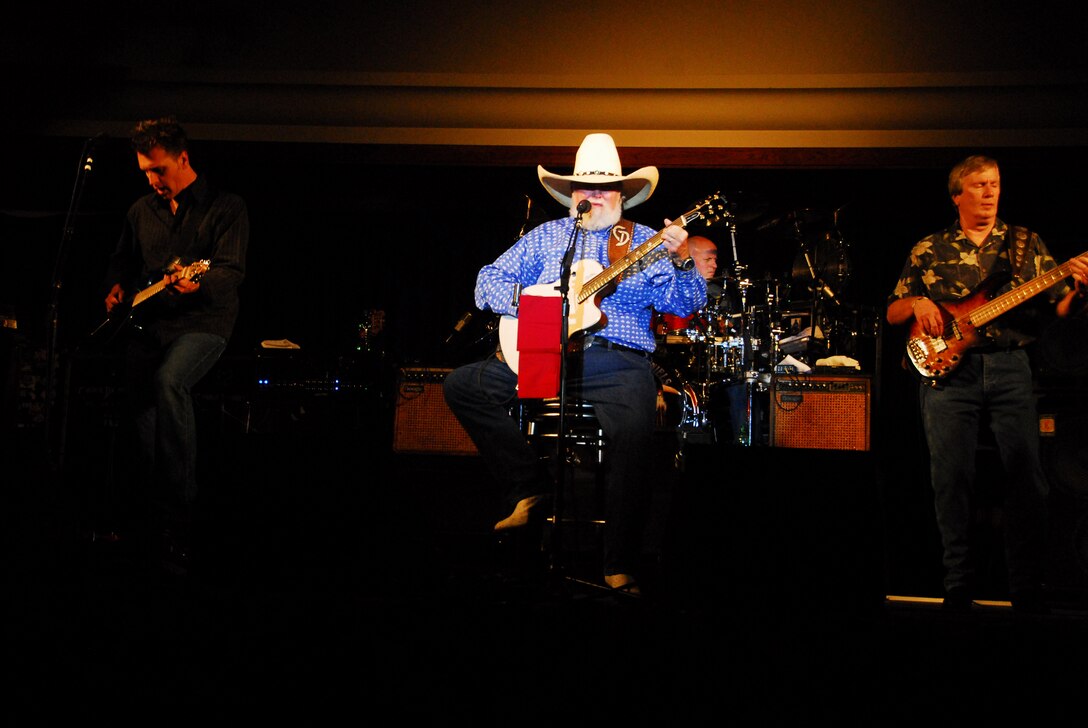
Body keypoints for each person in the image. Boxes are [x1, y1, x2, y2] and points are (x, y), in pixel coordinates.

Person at [443, 133, 706, 594]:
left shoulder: (645, 241)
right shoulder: (547, 237)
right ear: (571, 194)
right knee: (465, 385)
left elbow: (684, 303)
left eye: (605, 188)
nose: (594, 196)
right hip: (544, 350)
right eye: (585, 188)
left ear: (622, 194)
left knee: (634, 426)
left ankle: (618, 561)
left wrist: (681, 260)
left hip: (616, 359)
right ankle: (529, 485)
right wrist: (529, 306)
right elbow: (488, 279)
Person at [886, 154, 1088, 613]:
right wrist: (918, 302)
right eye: (979, 185)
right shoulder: (929, 248)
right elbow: (893, 310)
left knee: (1028, 479)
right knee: (951, 478)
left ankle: (1026, 588)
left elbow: (1061, 309)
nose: (990, 192)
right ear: (957, 195)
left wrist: (1078, 290)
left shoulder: (1025, 243)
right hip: (948, 375)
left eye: (995, 183)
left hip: (1010, 367)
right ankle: (958, 587)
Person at [102, 116, 248, 575]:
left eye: (158, 170)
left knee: (170, 381)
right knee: (137, 408)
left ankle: (181, 515)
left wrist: (195, 286)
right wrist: (116, 287)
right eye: (145, 171)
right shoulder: (140, 211)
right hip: (152, 325)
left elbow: (229, 272)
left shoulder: (226, 208)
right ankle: (150, 517)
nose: (151, 180)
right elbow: (121, 261)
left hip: (205, 323)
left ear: (183, 159)